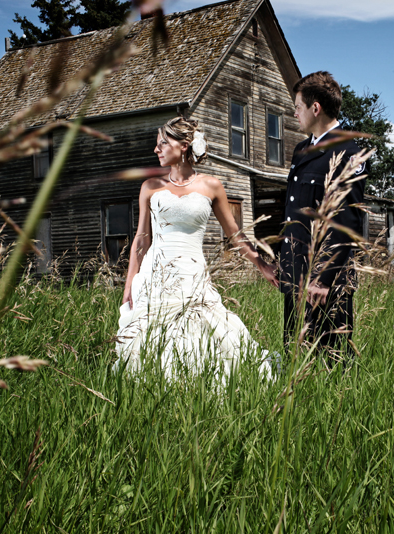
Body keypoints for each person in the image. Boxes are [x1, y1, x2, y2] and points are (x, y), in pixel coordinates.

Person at [115, 116, 279, 381]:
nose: (156, 149)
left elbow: (235, 236)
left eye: (162, 143)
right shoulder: (150, 187)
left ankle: (200, 384)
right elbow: (141, 240)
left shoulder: (211, 185)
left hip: (192, 274)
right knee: (152, 335)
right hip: (155, 275)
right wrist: (129, 284)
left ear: (183, 146)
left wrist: (262, 265)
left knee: (203, 331)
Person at [280, 71, 367, 360]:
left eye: (298, 107)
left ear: (315, 108)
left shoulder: (350, 150)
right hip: (297, 271)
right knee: (295, 357)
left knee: (333, 361)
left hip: (327, 279)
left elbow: (348, 221)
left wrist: (325, 279)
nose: (294, 114)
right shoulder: (301, 150)